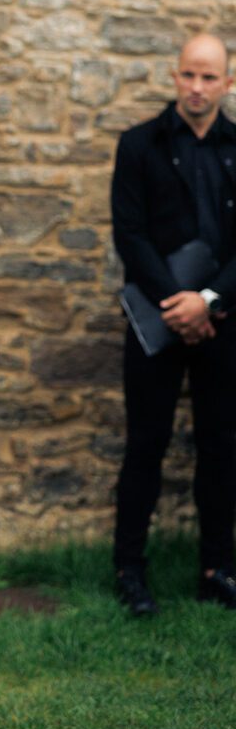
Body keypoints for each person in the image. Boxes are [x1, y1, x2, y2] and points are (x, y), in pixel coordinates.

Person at [111, 32, 236, 615]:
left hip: (224, 322)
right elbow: (129, 235)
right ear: (174, 75)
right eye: (189, 74)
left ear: (227, 82)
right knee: (146, 446)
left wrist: (208, 301)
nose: (197, 86)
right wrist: (179, 304)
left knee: (220, 447)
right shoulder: (139, 144)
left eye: (210, 77)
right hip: (157, 324)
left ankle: (216, 568)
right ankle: (129, 571)